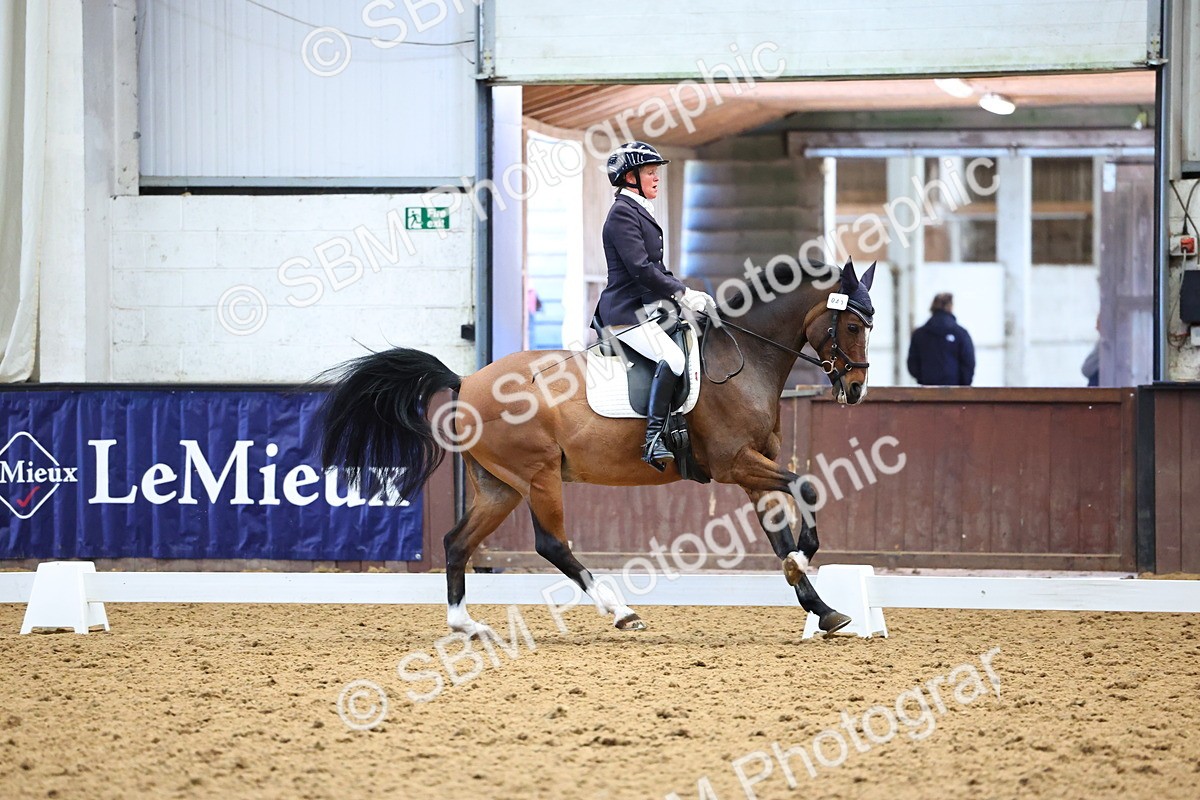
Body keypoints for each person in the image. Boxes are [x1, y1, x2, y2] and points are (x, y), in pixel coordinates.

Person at [594, 141, 714, 471]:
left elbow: (657, 267)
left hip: (645, 309)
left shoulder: (639, 210)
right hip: (623, 313)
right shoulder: (622, 214)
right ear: (630, 177)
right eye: (650, 172)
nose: (656, 178)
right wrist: (680, 293)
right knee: (673, 358)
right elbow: (640, 268)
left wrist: (687, 294)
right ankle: (652, 438)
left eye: (656, 172)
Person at [906, 292, 975, 386]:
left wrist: (924, 379)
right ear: (951, 307)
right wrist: (963, 385)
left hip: (927, 390)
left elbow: (913, 364)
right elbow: (968, 362)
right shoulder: (960, 333)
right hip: (955, 391)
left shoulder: (919, 334)